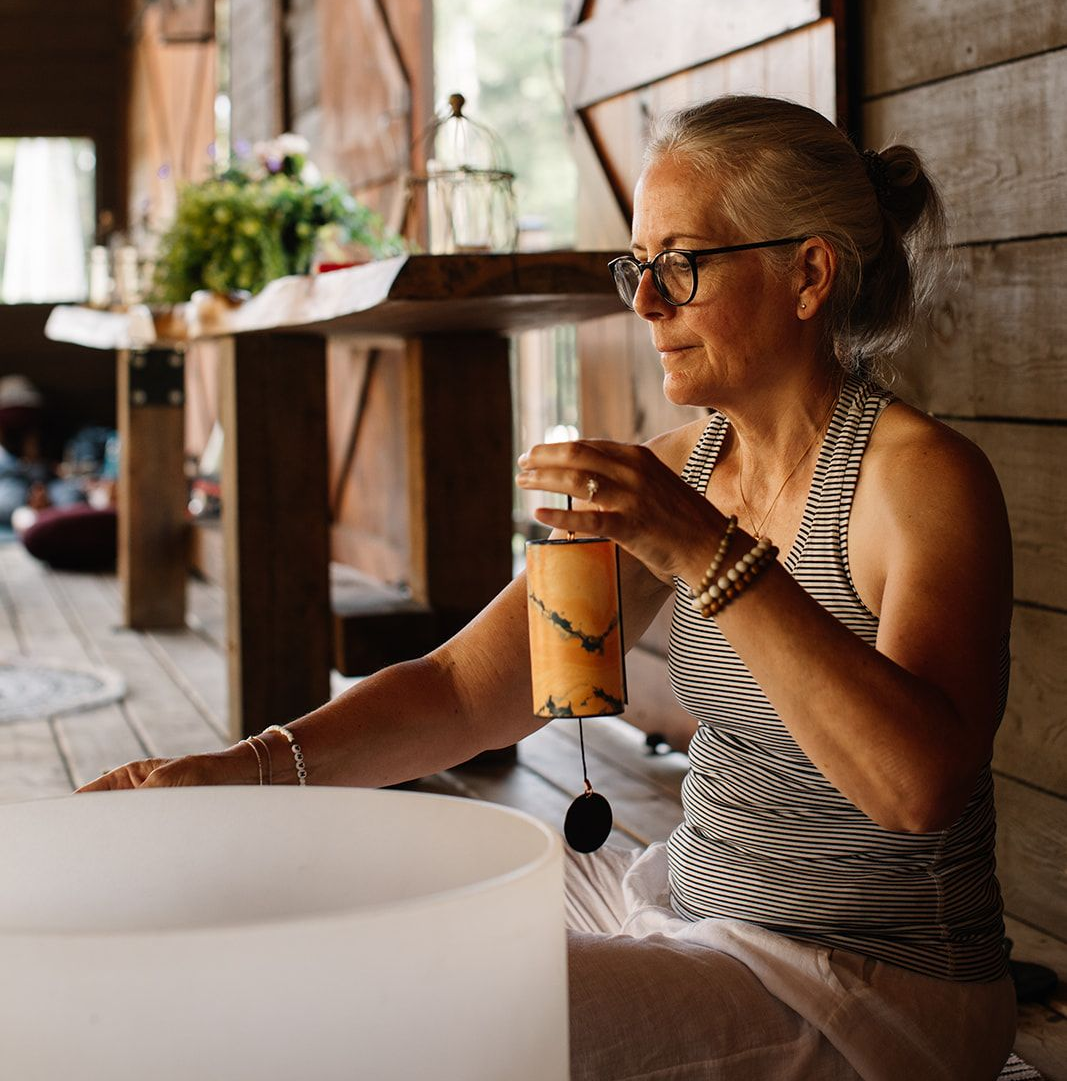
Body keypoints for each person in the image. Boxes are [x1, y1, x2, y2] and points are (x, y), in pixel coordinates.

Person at [80, 95, 1016, 1080]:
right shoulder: (687, 468)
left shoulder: (918, 479)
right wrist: (244, 770)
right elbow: (460, 691)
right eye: (636, 266)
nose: (645, 301)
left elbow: (917, 786)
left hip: (869, 986)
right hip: (680, 900)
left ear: (807, 274)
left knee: (419, 1003)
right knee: (337, 895)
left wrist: (702, 551)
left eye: (680, 264)